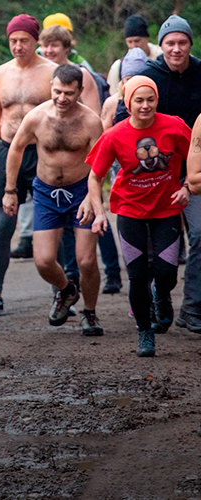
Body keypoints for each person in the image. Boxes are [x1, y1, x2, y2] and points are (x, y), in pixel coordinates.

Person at [84, 76, 191, 356]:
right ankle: (145, 332)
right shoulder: (114, 135)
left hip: (166, 208)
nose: (145, 106)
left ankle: (162, 294)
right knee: (137, 274)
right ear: (128, 103)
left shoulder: (174, 126)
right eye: (139, 100)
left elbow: (196, 157)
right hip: (129, 210)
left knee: (166, 272)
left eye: (150, 99)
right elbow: (94, 178)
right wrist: (98, 212)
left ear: (157, 100)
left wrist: (187, 186)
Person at [3, 65, 104, 335]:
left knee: (85, 261)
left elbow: (99, 164)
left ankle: (90, 313)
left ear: (80, 91)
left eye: (69, 93)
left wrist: (92, 198)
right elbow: (15, 149)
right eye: (57, 91)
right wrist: (10, 190)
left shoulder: (91, 121)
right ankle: (66, 290)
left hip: (81, 191)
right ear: (51, 87)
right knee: (44, 260)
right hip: (47, 193)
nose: (62, 98)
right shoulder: (36, 117)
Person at [0, 14, 56, 316]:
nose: (17, 46)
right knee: (4, 223)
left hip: (41, 150)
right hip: (6, 148)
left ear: (35, 40)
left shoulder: (52, 72)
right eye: (13, 41)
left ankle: (61, 290)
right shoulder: (0, 74)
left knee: (53, 221)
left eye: (23, 41)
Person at [133, 16, 201, 335]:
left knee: (199, 235)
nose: (176, 48)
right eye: (170, 43)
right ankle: (155, 299)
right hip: (155, 175)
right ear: (160, 46)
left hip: (194, 173)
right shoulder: (148, 77)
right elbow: (127, 122)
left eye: (182, 42)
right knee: (155, 249)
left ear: (190, 43)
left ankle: (192, 307)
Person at [39, 26, 101, 113]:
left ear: (66, 48)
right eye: (45, 46)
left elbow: (94, 113)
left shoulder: (82, 74)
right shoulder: (39, 73)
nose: (49, 50)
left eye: (54, 45)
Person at [106, 15, 163, 96]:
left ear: (147, 38)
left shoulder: (163, 57)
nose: (133, 45)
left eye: (137, 41)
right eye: (129, 42)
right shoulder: (118, 67)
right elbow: (114, 97)